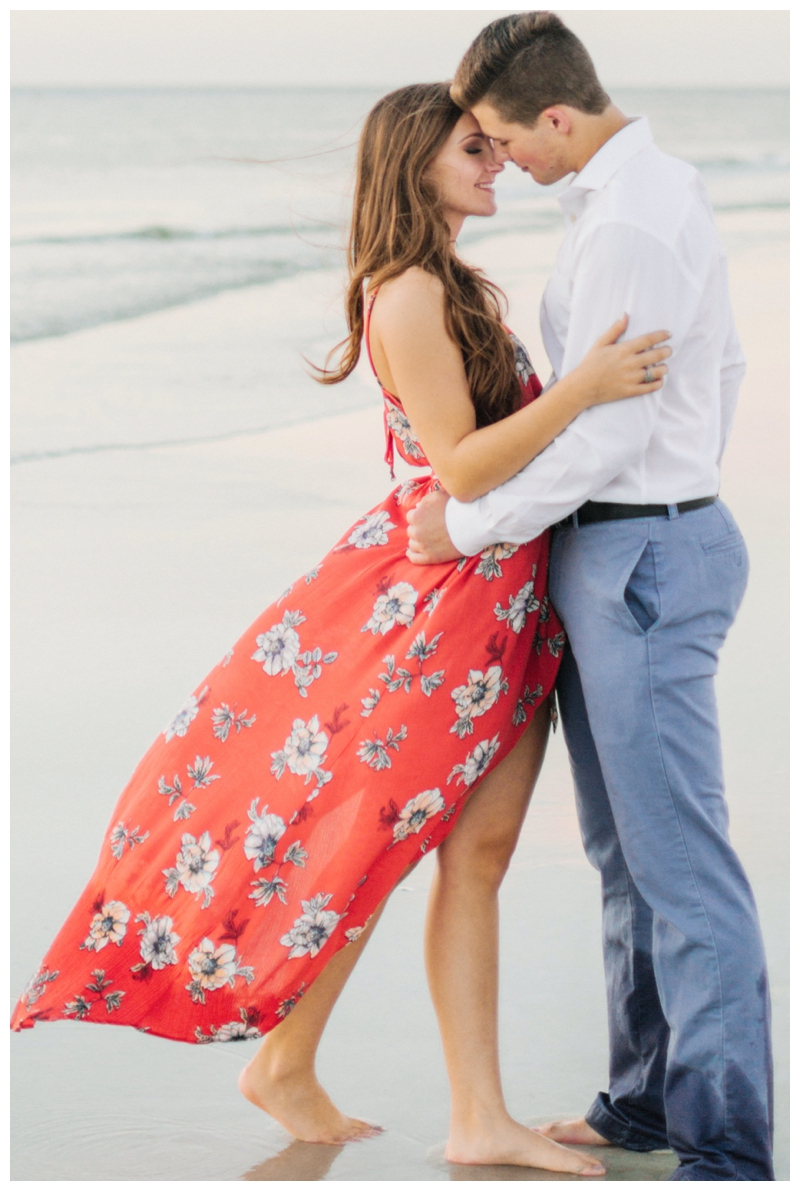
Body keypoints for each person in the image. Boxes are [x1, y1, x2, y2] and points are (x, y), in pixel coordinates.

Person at [10, 82, 670, 1176]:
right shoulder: (406, 293)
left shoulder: (451, 282)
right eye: (473, 147)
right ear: (415, 161)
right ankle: (320, 1070)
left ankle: (444, 1107)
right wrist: (585, 388)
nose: (494, 160)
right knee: (388, 846)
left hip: (495, 599)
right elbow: (458, 469)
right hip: (438, 612)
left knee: (478, 853)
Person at [406, 14, 774, 1183]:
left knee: (678, 865)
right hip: (632, 545)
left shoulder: (625, 224)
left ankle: (721, 1145)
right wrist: (676, 476)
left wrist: (463, 524)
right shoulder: (649, 191)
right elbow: (718, 371)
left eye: (506, 141)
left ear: (555, 118)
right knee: (625, 855)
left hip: (638, 553)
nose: (502, 160)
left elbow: (599, 445)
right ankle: (643, 1105)